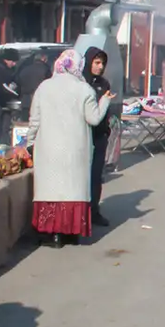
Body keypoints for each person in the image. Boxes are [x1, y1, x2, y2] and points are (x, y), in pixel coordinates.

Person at [26, 49, 113, 247]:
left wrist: (30, 143)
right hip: (75, 151)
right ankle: (70, 233)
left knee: (51, 191)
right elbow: (94, 118)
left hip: (48, 149)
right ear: (79, 66)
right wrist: (105, 100)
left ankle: (52, 235)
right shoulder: (84, 90)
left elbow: (35, 121)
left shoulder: (44, 87)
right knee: (71, 191)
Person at [83, 47, 114, 227]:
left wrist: (107, 129)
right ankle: (80, 213)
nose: (100, 66)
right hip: (83, 136)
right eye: (96, 62)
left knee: (96, 175)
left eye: (102, 63)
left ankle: (94, 211)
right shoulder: (81, 83)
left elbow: (105, 110)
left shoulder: (104, 84)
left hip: (99, 136)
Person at [0, 48, 21, 145]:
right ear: (7, 59)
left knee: (4, 127)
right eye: (13, 61)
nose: (14, 64)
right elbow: (2, 87)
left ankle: (3, 144)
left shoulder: (5, 69)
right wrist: (14, 93)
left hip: (4, 103)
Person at [16, 50, 53, 120]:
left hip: (26, 101)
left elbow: (18, 84)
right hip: (41, 101)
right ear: (43, 59)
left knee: (25, 123)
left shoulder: (25, 70)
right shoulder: (46, 69)